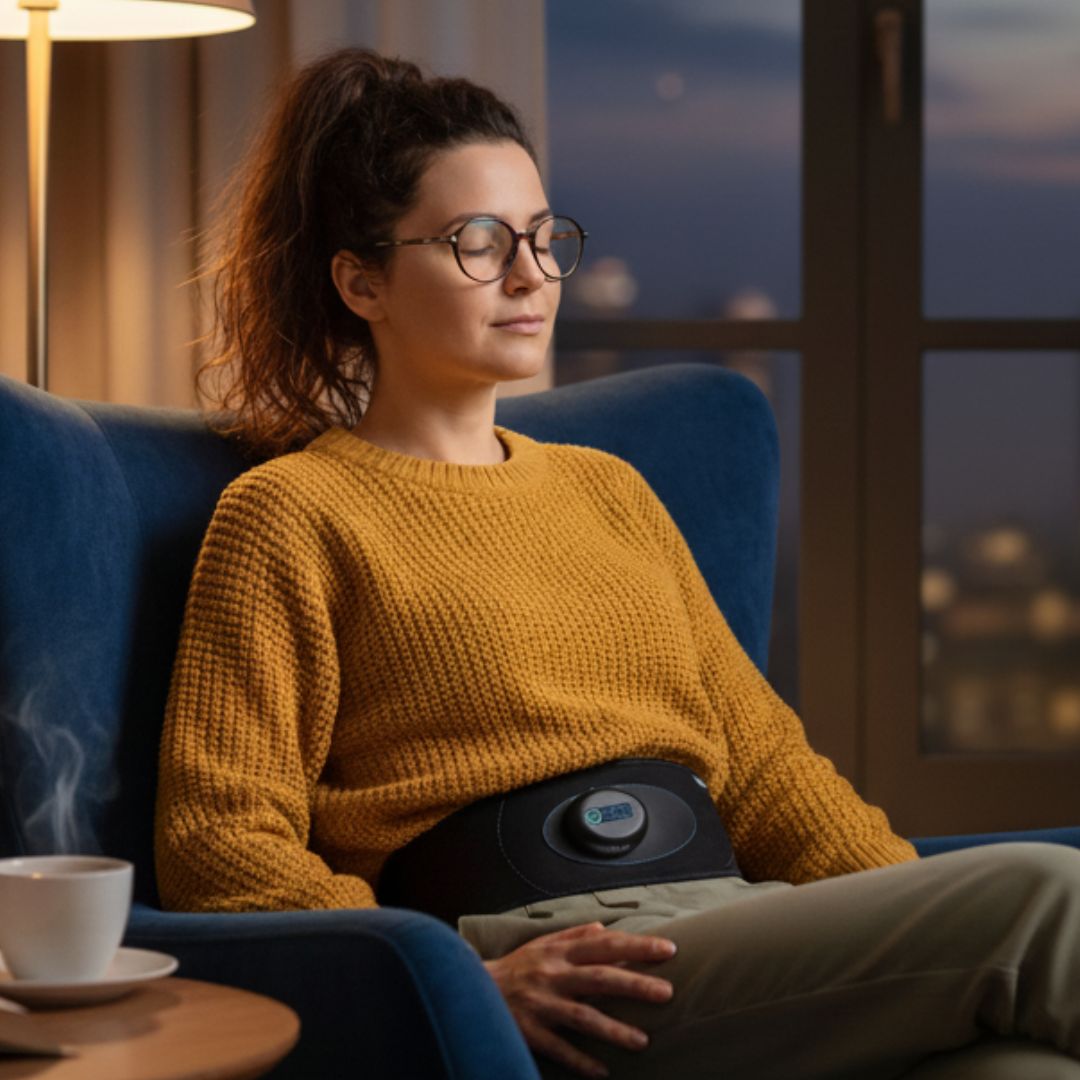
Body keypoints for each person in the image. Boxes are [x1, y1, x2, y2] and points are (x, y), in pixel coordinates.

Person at [154, 46, 1080, 1080]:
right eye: (477, 242)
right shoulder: (288, 514)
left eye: (547, 239)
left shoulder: (610, 491)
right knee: (1051, 899)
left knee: (1024, 1066)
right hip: (555, 960)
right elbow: (219, 843)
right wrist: (448, 975)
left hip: (736, 926)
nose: (531, 274)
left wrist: (903, 911)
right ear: (361, 280)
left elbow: (767, 769)